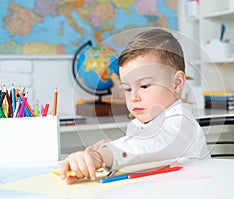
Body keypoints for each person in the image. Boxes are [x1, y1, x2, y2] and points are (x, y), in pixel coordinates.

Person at [60, 28, 210, 184]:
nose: (133, 97)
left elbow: (153, 146)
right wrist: (105, 147)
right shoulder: (139, 125)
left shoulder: (182, 123)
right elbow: (138, 153)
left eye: (144, 86)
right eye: (127, 88)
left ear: (177, 83)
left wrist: (102, 156)